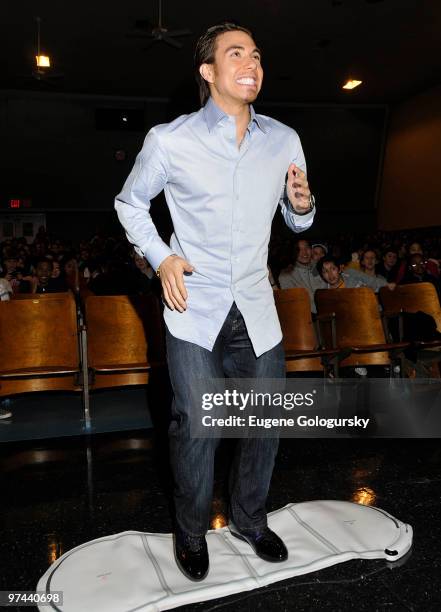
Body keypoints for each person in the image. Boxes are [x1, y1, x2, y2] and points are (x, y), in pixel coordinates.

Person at [115, 22, 316, 582]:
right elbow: (130, 203)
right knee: (195, 426)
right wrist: (161, 257)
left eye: (256, 53)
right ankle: (191, 532)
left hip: (256, 304)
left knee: (263, 422)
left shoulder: (284, 139)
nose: (252, 62)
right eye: (236, 53)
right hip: (193, 307)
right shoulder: (169, 140)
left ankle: (250, 519)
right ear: (208, 71)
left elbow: (299, 215)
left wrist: (301, 205)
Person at [278, 239, 326, 312]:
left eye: (306, 248)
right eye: (299, 249)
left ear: (311, 250)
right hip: (306, 318)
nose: (304, 252)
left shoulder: (320, 267)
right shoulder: (287, 275)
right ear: (294, 252)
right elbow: (291, 306)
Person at [317, 255, 395, 292]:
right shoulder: (323, 291)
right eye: (325, 272)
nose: (330, 274)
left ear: (340, 269)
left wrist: (386, 285)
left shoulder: (351, 274)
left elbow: (371, 281)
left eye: (333, 269)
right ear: (322, 276)